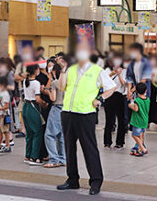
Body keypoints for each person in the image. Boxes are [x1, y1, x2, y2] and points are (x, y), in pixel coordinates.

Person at [57, 40, 117, 196]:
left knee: (89, 148)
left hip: (85, 114)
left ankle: (96, 181)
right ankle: (72, 180)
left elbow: (112, 87)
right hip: (68, 113)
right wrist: (63, 70)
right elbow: (62, 87)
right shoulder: (70, 69)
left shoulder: (97, 71)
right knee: (69, 148)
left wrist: (100, 99)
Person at [44, 60, 66, 168]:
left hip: (56, 108)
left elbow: (53, 98)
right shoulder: (67, 82)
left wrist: (47, 90)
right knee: (61, 135)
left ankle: (54, 159)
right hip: (66, 110)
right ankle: (63, 159)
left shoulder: (55, 83)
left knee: (49, 135)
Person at [22, 64, 46, 165]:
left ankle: (28, 155)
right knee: (37, 132)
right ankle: (34, 157)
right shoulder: (36, 83)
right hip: (33, 107)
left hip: (25, 106)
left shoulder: (25, 81)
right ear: (35, 71)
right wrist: (45, 104)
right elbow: (38, 99)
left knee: (29, 133)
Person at [125, 43, 155, 124]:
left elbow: (144, 79)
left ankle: (141, 131)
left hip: (143, 91)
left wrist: (132, 90)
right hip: (134, 91)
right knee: (135, 110)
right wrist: (129, 91)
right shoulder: (131, 64)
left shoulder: (146, 62)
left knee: (142, 111)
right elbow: (129, 78)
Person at [103, 52, 127, 149]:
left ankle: (120, 142)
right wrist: (113, 73)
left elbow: (124, 84)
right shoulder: (106, 70)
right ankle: (107, 142)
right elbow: (104, 81)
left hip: (119, 95)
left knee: (121, 120)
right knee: (109, 120)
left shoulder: (124, 71)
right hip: (109, 96)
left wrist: (120, 75)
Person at [128, 82, 150, 156]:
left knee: (134, 135)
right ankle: (140, 150)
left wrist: (130, 105)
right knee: (141, 135)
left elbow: (136, 109)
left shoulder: (137, 100)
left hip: (138, 121)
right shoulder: (148, 100)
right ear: (146, 90)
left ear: (136, 91)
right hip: (145, 120)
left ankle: (142, 148)